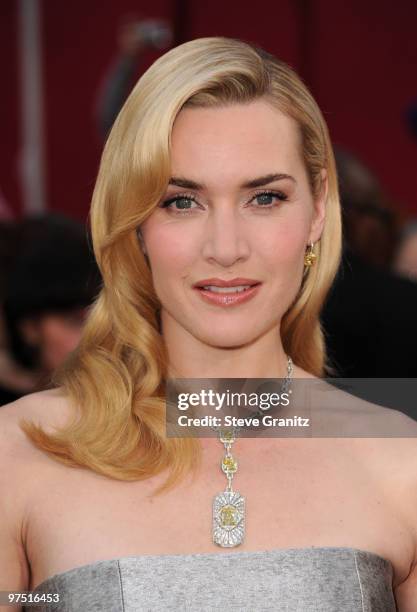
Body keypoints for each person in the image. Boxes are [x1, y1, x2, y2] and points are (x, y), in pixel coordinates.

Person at [1, 37, 416, 611]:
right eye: (181, 202)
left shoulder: (401, 462)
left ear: (318, 209)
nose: (225, 248)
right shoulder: (18, 455)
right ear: (136, 221)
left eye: (265, 197)